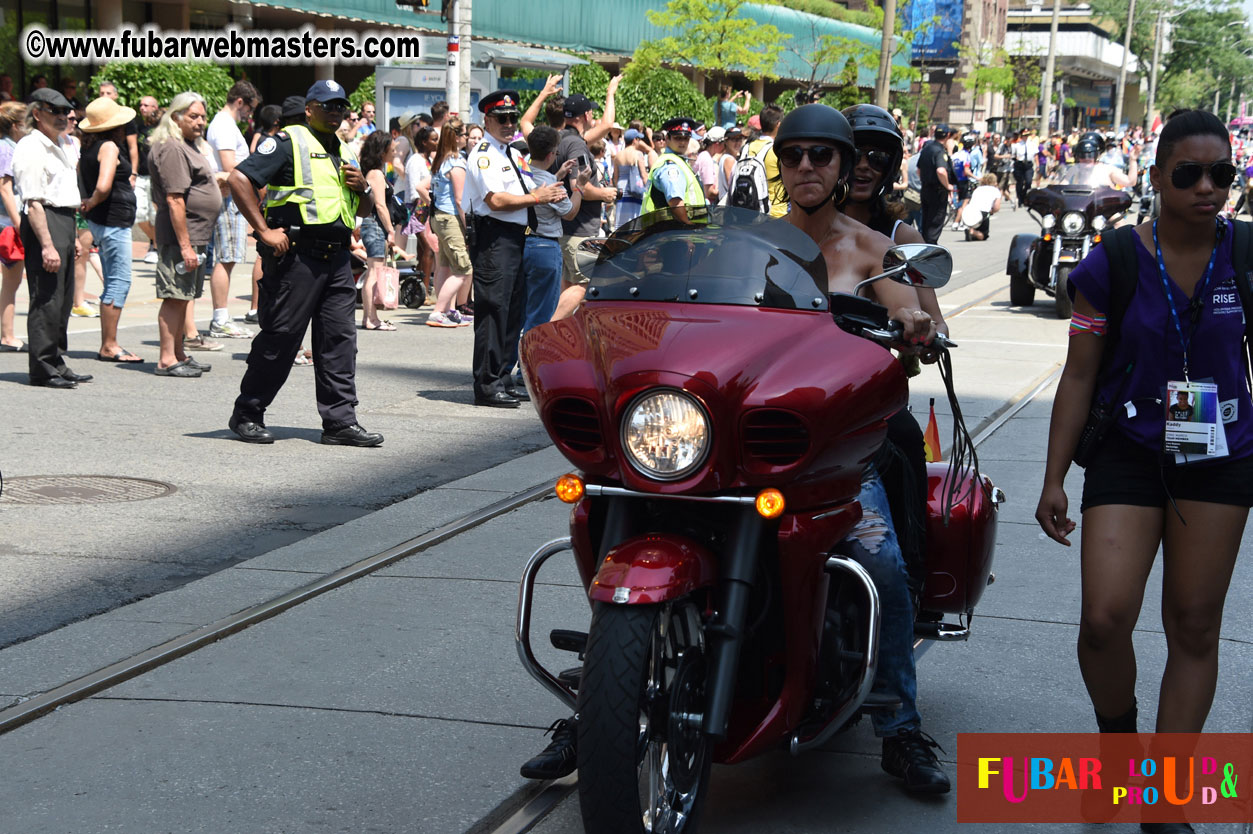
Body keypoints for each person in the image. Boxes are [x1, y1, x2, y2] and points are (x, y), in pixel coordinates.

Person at [1035, 110, 1250, 834]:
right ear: (1155, 178)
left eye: (1220, 173)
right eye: (1186, 173)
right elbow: (1075, 375)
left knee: (1192, 624)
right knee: (1103, 618)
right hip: (1127, 451)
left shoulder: (1245, 253)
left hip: (1219, 457)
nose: (1204, 187)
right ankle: (1119, 751)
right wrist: (1053, 476)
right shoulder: (1112, 260)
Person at [774, 103, 947, 794]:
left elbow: (919, 315)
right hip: (757, 433)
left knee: (879, 560)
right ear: (780, 164)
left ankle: (898, 727)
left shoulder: (876, 249)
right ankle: (603, 699)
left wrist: (908, 319)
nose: (808, 167)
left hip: (840, 447)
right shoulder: (753, 241)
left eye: (823, 156)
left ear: (844, 168)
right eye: (795, 155)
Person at [226, 80, 383, 447]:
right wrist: (263, 230)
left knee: (339, 343)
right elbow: (238, 178)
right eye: (327, 106)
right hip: (298, 257)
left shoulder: (345, 150)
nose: (335, 113)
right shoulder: (288, 141)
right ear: (310, 109)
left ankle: (340, 422)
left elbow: (361, 209)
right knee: (281, 338)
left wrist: (363, 188)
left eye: (340, 107)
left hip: (338, 259)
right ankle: (248, 411)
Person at [462, 89, 566, 408]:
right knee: (494, 311)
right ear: (487, 120)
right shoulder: (484, 154)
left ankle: (503, 376)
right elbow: (496, 200)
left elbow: (526, 187)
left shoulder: (512, 153)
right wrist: (538, 198)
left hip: (518, 236)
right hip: (495, 237)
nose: (509, 124)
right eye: (502, 119)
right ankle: (487, 382)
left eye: (512, 118)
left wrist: (549, 187)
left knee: (513, 311)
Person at [10, 88, 92, 388]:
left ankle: (56, 359)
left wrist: (72, 238)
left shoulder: (60, 144)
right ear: (37, 113)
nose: (62, 117)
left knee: (64, 296)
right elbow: (33, 201)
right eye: (54, 111)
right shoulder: (32, 146)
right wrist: (47, 244)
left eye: (65, 111)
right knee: (47, 296)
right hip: (45, 218)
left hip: (63, 219)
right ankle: (42, 367)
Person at [148, 92, 221, 378]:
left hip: (195, 234)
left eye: (203, 116)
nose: (200, 121)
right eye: (193, 116)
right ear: (175, 116)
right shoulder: (172, 148)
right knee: (174, 296)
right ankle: (167, 358)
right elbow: (175, 199)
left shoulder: (187, 146)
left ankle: (178, 352)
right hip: (182, 237)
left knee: (184, 295)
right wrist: (186, 245)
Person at [79, 95, 141, 364]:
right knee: (118, 281)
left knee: (114, 279)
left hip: (106, 220)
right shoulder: (108, 148)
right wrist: (93, 200)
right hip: (112, 220)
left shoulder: (90, 148)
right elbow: (104, 186)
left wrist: (89, 204)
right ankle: (109, 344)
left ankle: (109, 342)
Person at [518, 125, 589, 340]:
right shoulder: (549, 182)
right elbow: (570, 212)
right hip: (545, 246)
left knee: (521, 309)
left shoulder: (521, 173)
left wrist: (556, 175)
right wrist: (580, 187)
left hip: (522, 243)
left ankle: (511, 363)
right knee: (541, 312)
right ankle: (528, 366)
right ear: (551, 154)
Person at [552, 93, 618, 320]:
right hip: (579, 230)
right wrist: (604, 193)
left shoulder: (561, 138)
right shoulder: (576, 144)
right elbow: (579, 185)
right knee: (584, 286)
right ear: (587, 115)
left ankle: (559, 334)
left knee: (571, 283)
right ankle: (546, 329)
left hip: (566, 227)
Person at [205, 80, 260, 340]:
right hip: (227, 197)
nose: (249, 114)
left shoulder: (224, 125)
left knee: (229, 257)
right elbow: (228, 166)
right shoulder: (224, 125)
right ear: (240, 102)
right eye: (249, 108)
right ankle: (220, 318)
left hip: (230, 197)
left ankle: (221, 317)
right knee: (226, 258)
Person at [426, 117, 474, 327]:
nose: (466, 138)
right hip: (450, 218)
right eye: (464, 134)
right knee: (464, 269)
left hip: (438, 217)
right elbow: (460, 199)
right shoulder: (455, 162)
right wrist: (468, 226)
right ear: (456, 137)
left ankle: (448, 310)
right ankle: (438, 311)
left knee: (444, 267)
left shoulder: (441, 160)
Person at [357, 130, 399, 332]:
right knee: (374, 271)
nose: (395, 151)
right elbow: (380, 206)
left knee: (375, 270)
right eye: (392, 148)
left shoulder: (375, 172)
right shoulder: (376, 174)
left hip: (373, 225)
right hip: (375, 225)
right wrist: (391, 230)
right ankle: (370, 317)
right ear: (382, 151)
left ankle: (371, 316)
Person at [640, 116, 708, 222]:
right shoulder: (671, 165)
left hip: (680, 231)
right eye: (678, 138)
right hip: (677, 232)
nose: (682, 142)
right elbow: (675, 201)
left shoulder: (679, 161)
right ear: (667, 138)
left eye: (686, 138)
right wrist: (688, 225)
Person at [0, 100, 27, 352]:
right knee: (12, 280)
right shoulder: (7, 149)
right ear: (17, 125)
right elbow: (5, 190)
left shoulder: (9, 147)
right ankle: (7, 336)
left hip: (7, 221)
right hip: (7, 223)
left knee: (11, 280)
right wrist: (19, 225)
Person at [741, 104, 787, 218]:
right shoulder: (777, 151)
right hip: (775, 214)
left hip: (749, 213)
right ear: (779, 125)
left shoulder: (747, 147)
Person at [916, 124, 956, 244]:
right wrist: (947, 185)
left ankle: (924, 247)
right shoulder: (939, 151)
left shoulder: (927, 148)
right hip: (937, 191)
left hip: (925, 189)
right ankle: (930, 250)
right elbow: (941, 171)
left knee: (926, 222)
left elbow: (919, 170)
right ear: (948, 135)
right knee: (935, 223)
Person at [1055, 131, 1135, 190]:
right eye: (1082, 154)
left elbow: (1130, 182)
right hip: (1078, 210)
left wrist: (1133, 160)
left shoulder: (1108, 169)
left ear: (1097, 154)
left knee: (1117, 213)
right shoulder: (1074, 169)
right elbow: (1061, 187)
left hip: (1104, 210)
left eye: (1090, 155)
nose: (1086, 159)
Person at [612, 128, 649, 227]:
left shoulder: (618, 156)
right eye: (638, 139)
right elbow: (644, 175)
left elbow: (615, 178)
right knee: (634, 219)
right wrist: (648, 189)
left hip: (621, 188)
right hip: (634, 187)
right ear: (634, 140)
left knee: (621, 220)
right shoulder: (638, 154)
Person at [959, 173, 1002, 241]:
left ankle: (971, 230)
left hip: (970, 211)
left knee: (973, 225)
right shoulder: (995, 191)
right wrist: (991, 211)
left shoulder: (978, 189)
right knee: (983, 235)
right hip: (983, 212)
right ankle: (972, 232)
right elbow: (997, 207)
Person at [694, 126, 725, 203]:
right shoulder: (707, 159)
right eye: (725, 144)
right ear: (717, 144)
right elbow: (709, 192)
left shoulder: (704, 156)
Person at [718, 125, 745, 202]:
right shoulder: (729, 159)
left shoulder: (729, 158)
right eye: (734, 139)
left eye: (740, 139)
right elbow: (733, 186)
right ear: (726, 141)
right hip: (728, 206)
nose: (738, 143)